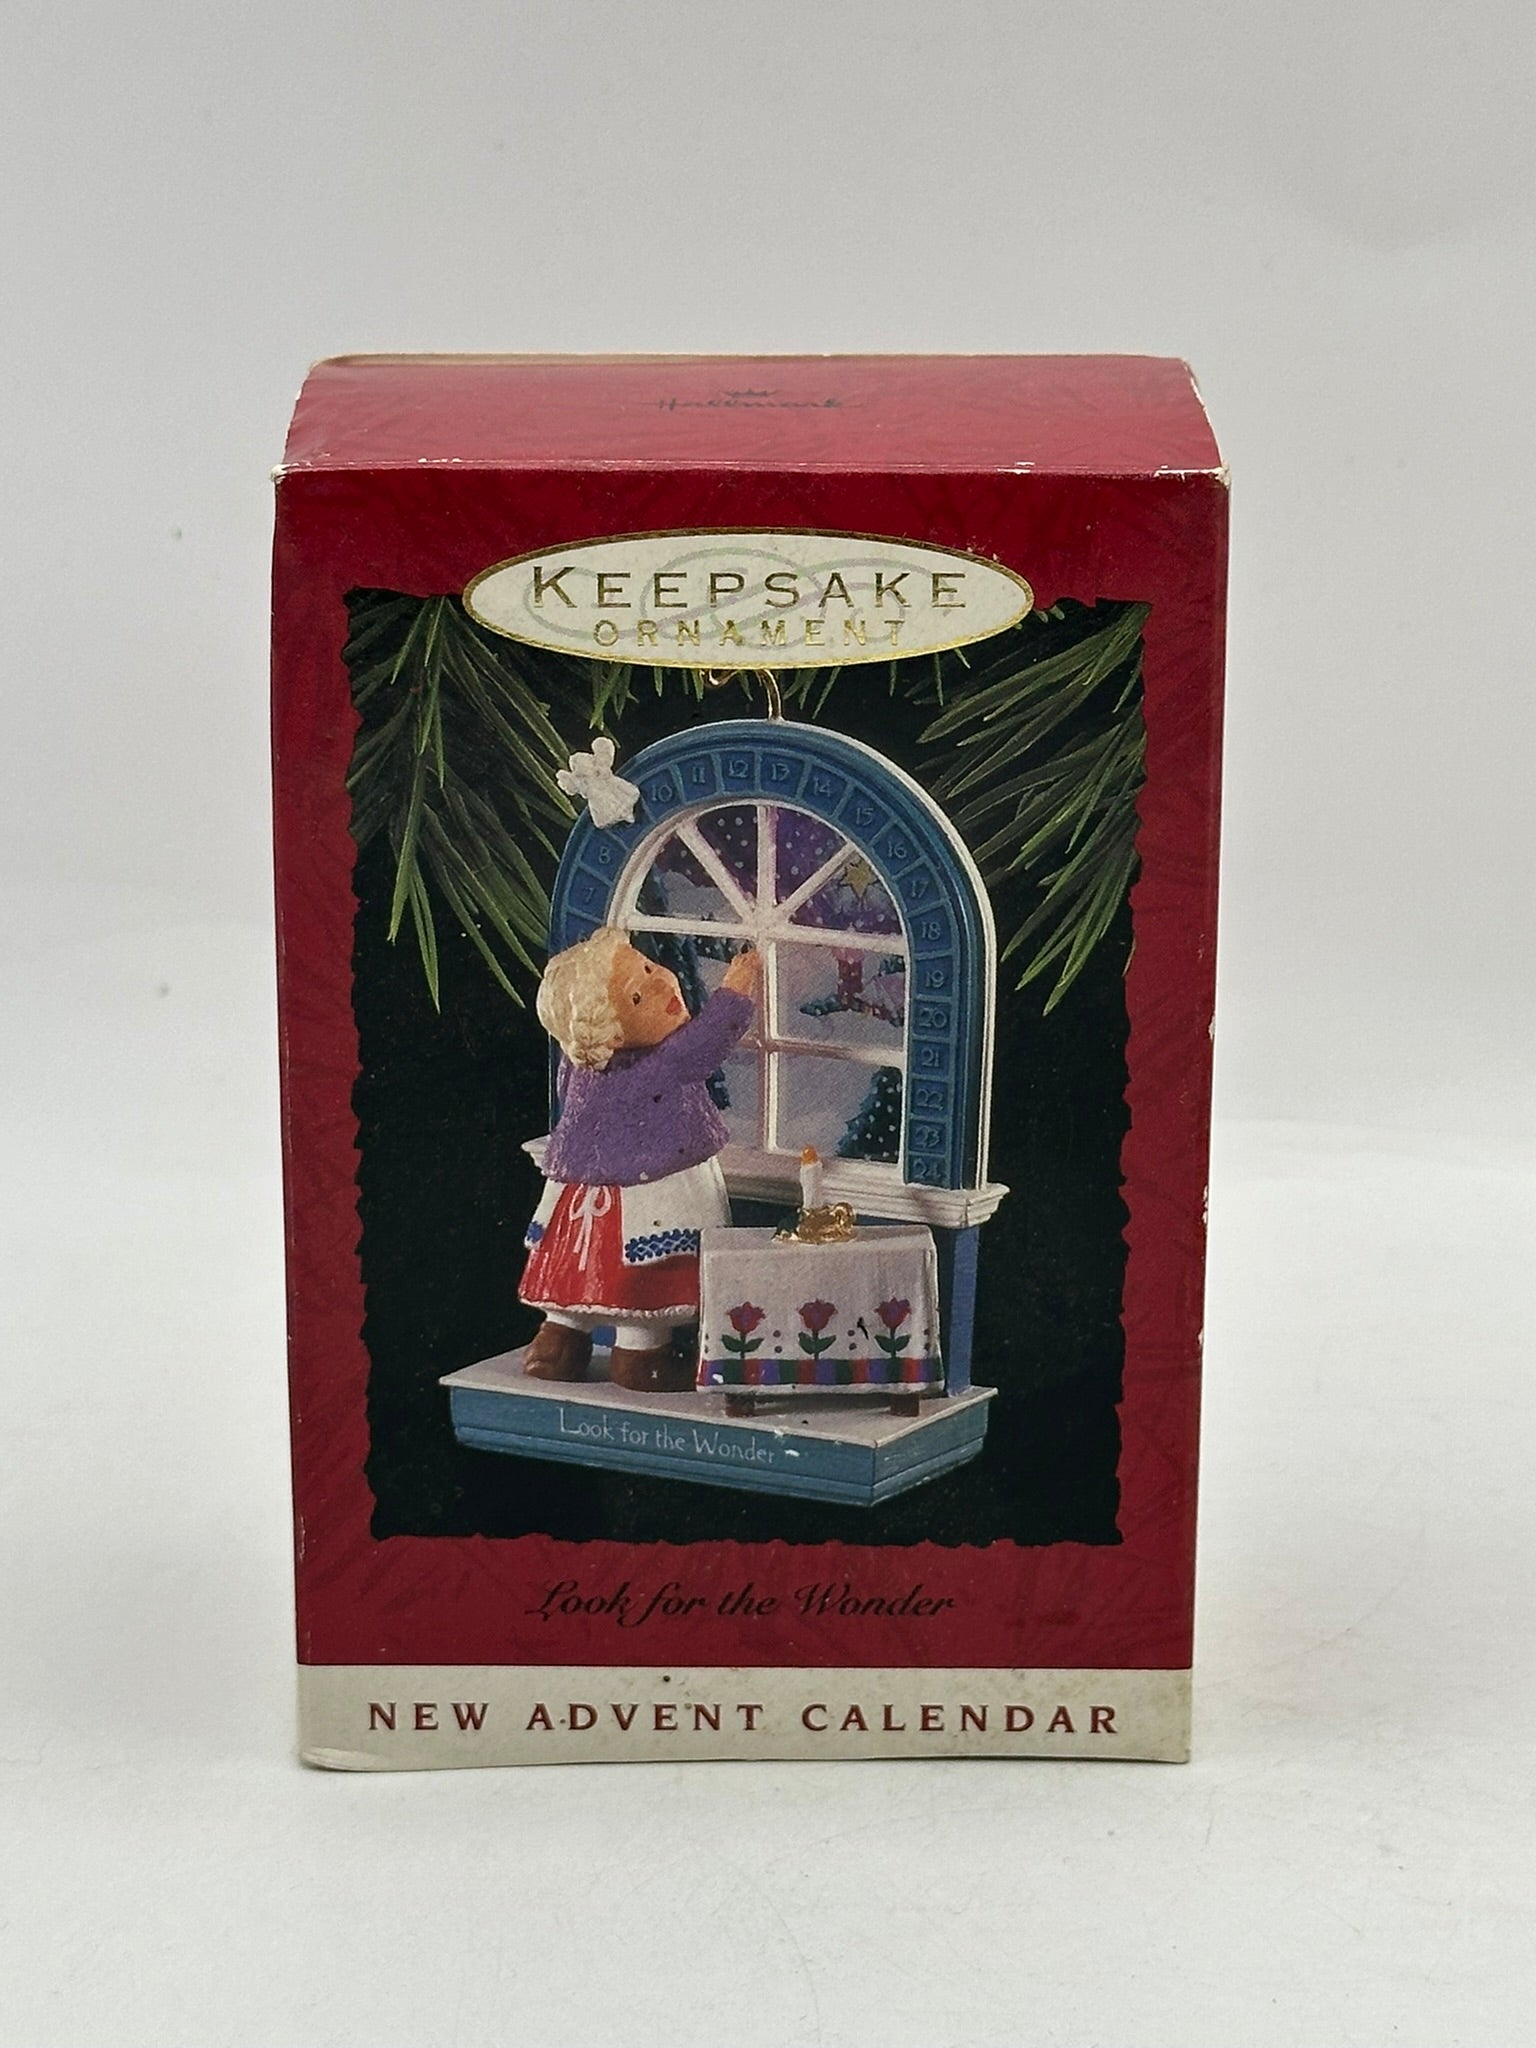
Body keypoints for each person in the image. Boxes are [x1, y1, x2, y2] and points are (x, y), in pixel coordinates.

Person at [519, 927, 760, 1391]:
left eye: (648, 968)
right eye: (636, 998)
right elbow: (706, 1043)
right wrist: (736, 987)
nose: (661, 984)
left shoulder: (579, 1068)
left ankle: (558, 1345)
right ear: (608, 1033)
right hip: (651, 1190)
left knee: (578, 1274)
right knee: (637, 1281)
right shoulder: (661, 1064)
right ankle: (640, 1359)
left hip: (576, 1193)